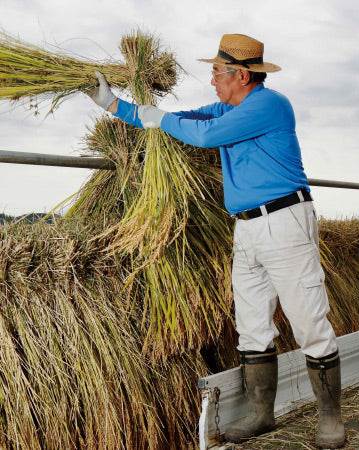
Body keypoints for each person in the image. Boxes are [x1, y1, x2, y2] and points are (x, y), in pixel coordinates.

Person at [86, 34, 345, 449]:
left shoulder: (269, 104)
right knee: (251, 325)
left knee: (309, 320)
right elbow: (179, 118)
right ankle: (261, 414)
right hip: (246, 226)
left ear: (242, 75)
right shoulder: (227, 108)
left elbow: (204, 137)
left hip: (285, 221)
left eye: (217, 72)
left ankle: (331, 418)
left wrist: (159, 119)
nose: (212, 81)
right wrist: (116, 105)